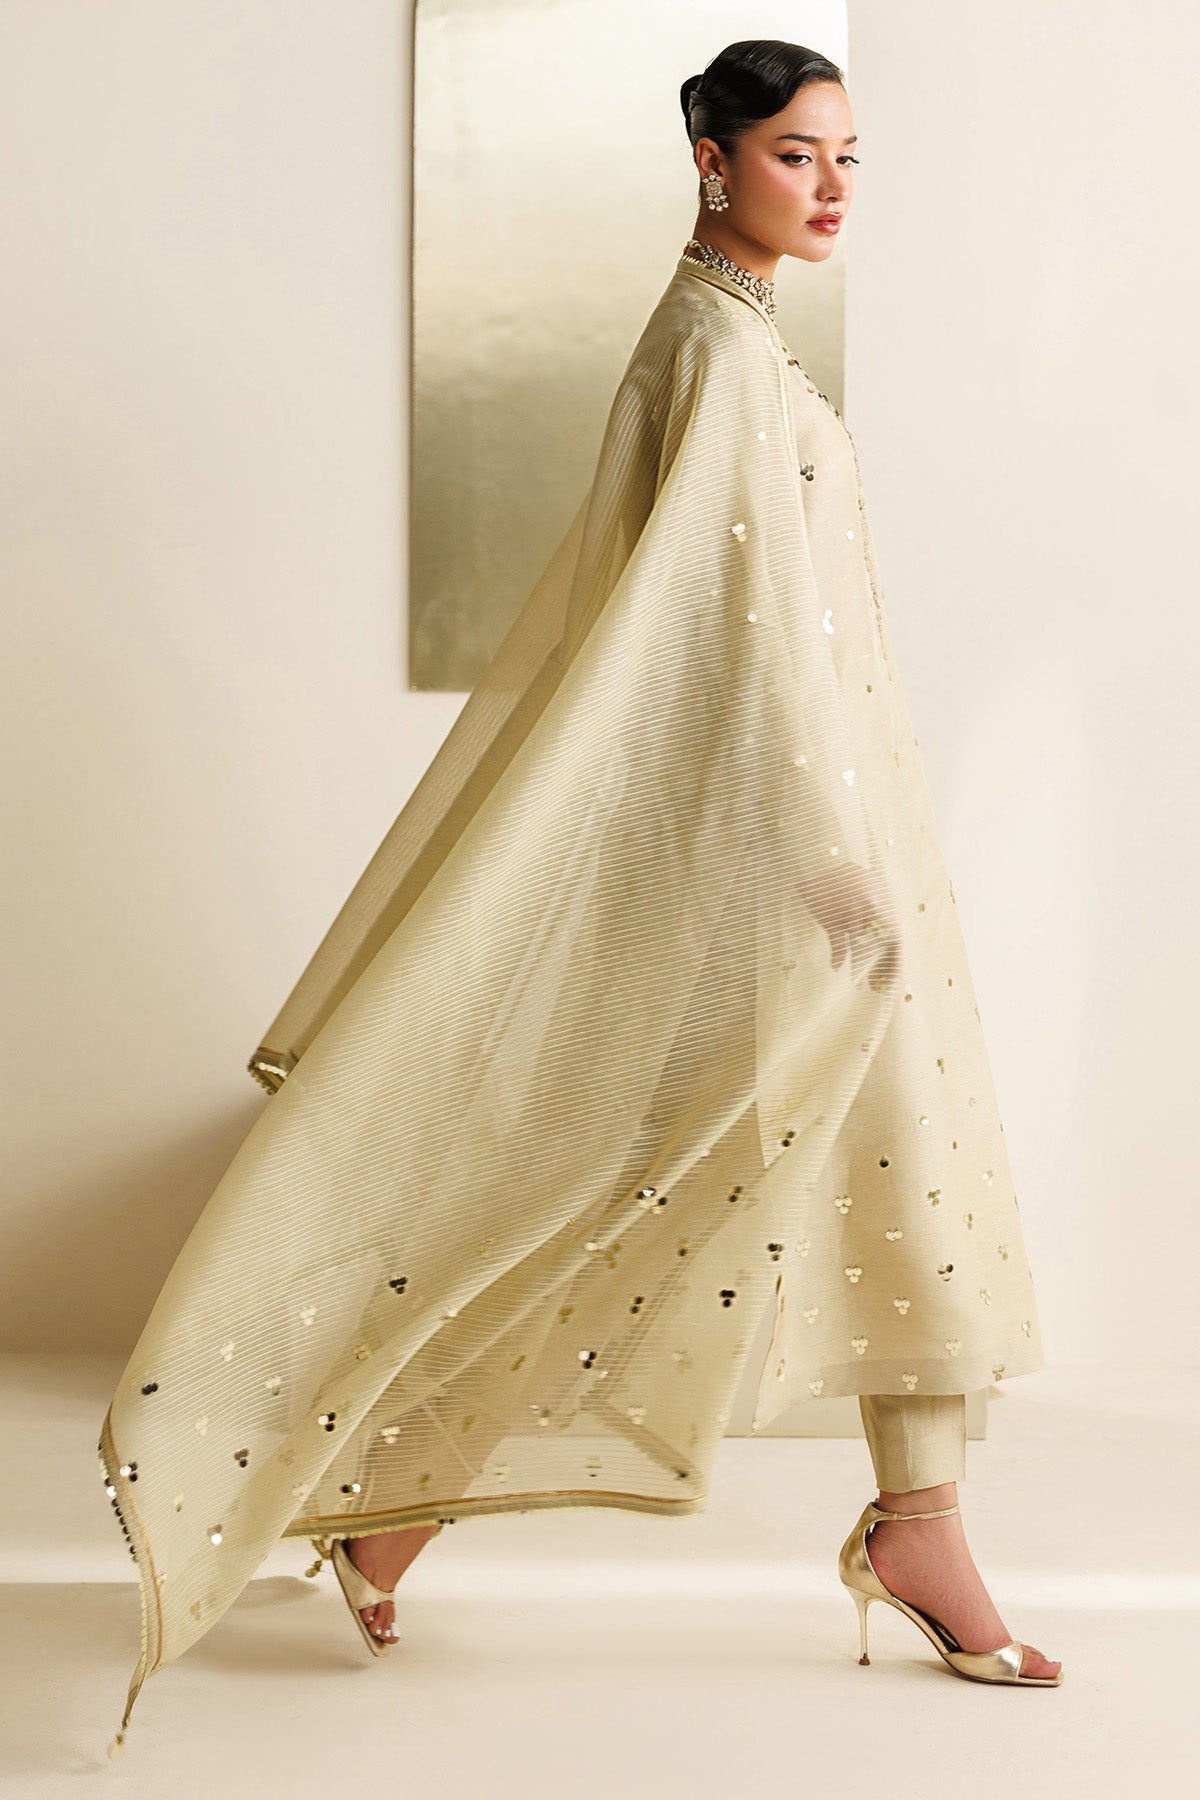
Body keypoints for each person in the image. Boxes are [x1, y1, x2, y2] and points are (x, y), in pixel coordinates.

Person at [98, 37, 1061, 1757]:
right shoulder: (717, 355)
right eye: (795, 154)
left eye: (848, 156)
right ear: (710, 157)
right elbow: (724, 643)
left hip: (817, 835)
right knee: (652, 1188)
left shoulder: (736, 340)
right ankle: (403, 1499)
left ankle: (899, 1523)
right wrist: (825, 867)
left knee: (848, 1166)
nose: (832, 186)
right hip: (776, 858)